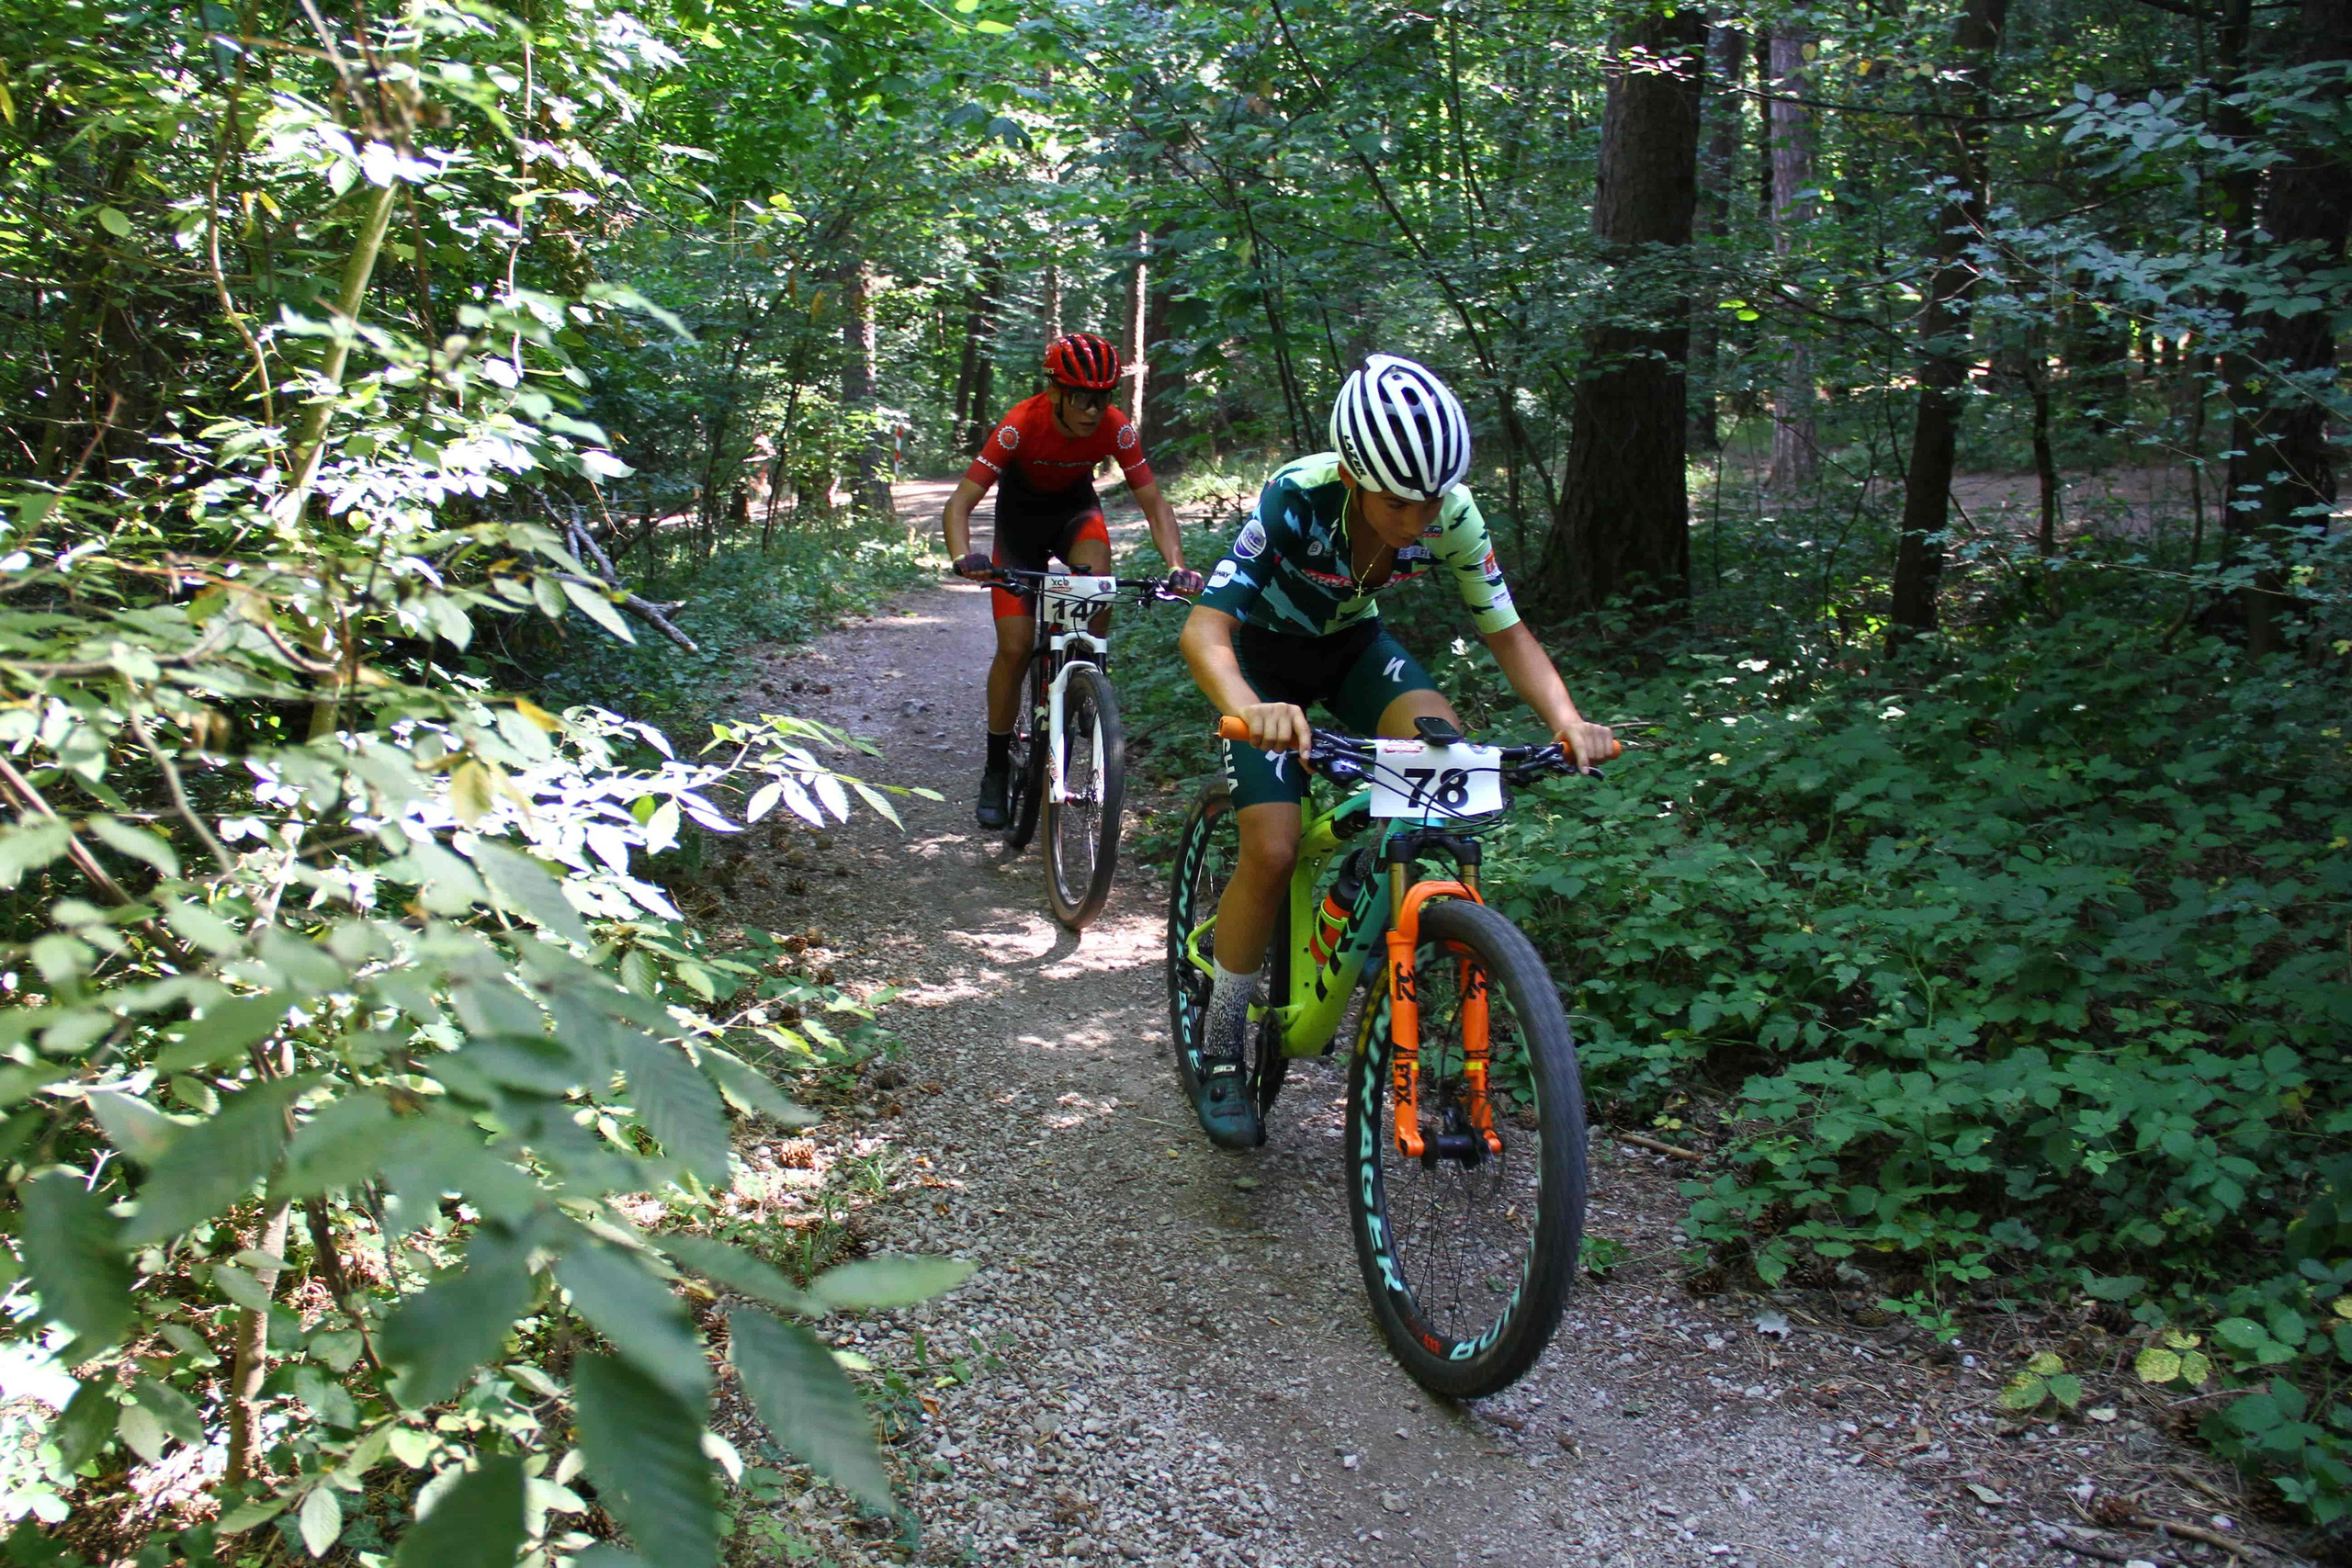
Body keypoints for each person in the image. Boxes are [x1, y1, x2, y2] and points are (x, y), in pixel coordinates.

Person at [1176, 354, 1617, 1149]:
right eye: (1398, 503)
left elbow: (1508, 633)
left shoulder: (1452, 512)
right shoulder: (1297, 495)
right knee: (1272, 849)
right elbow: (1205, 630)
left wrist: (1568, 720)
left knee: (1445, 757)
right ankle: (1223, 1040)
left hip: (1353, 649)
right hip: (1264, 662)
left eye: (1432, 500)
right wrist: (1248, 709)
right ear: (1352, 476)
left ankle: (1375, 893)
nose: (1419, 520)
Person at [942, 332, 1199, 829]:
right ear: (1055, 392)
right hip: (1018, 527)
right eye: (1081, 397)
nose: (1093, 410)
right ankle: (996, 769)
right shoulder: (1020, 425)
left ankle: (1085, 672)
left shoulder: (1117, 429)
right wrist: (962, 556)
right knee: (1015, 648)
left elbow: (1154, 503)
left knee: (1098, 573)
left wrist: (1176, 564)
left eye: (1103, 397)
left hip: (1075, 515)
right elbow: (960, 504)